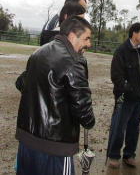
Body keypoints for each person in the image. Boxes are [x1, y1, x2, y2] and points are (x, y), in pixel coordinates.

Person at [15, 16, 95, 175]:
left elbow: (20, 83)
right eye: (86, 38)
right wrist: (90, 121)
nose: (89, 44)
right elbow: (82, 107)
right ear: (72, 36)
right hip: (55, 146)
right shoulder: (74, 61)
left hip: (25, 141)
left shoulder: (38, 52)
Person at [108, 22, 140, 169]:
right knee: (119, 128)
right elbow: (116, 76)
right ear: (134, 33)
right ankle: (114, 155)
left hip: (139, 99)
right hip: (125, 98)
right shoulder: (121, 51)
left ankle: (129, 154)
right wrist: (129, 88)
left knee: (134, 128)